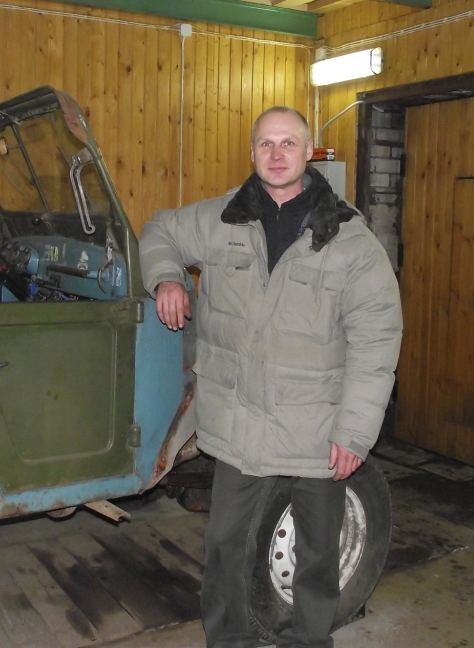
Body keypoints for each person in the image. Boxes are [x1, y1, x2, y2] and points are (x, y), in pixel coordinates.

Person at [139, 106, 403, 648]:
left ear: (308, 152)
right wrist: (167, 277)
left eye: (288, 143)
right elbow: (160, 230)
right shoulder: (222, 220)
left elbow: (376, 341)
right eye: (266, 143)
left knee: (318, 554)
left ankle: (309, 641)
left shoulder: (351, 242)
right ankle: (229, 641)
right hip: (240, 423)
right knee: (224, 546)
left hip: (316, 429)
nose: (276, 154)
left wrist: (355, 432)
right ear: (253, 152)